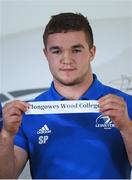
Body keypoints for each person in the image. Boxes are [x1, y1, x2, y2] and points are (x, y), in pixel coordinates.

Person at [0, 12, 132, 179]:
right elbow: (5, 177)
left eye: (76, 50)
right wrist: (6, 135)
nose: (67, 59)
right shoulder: (27, 114)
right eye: (56, 51)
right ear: (46, 54)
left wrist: (127, 128)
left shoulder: (125, 105)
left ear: (92, 52)